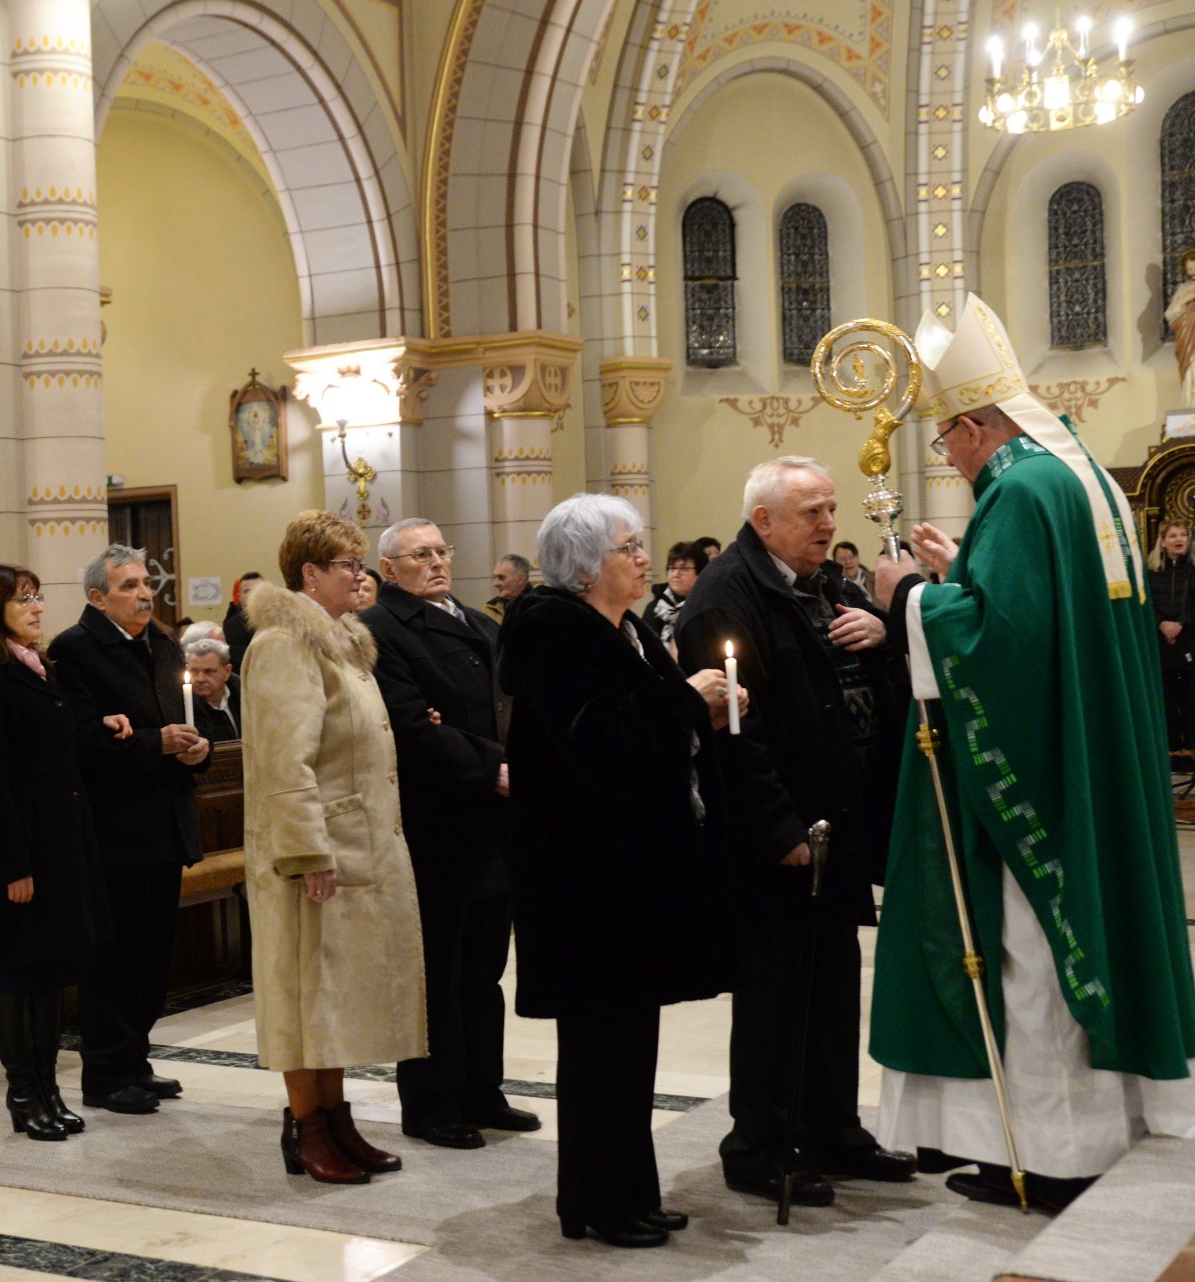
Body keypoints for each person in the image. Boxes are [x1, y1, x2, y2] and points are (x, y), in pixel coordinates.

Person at [869, 294, 1195, 1212]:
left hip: (1044, 767)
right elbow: (1042, 617)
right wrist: (958, 572)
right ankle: (1072, 1137)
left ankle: (1054, 1153)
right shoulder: (1077, 470)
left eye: (948, 443)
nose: (953, 459)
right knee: (1069, 943)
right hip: (1093, 754)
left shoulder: (1017, 486)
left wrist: (906, 598)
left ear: (976, 425)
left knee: (1032, 952)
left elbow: (997, 642)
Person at [675, 456, 915, 1207]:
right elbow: (732, 735)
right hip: (778, 836)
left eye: (832, 509)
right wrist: (779, 827)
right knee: (777, 993)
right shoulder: (726, 597)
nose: (829, 524)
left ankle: (833, 1127)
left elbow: (858, 684)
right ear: (765, 520)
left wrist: (880, 636)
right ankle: (761, 1144)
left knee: (834, 982)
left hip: (836, 823)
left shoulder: (824, 587)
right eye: (812, 511)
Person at [505, 493, 739, 1247]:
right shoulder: (554, 635)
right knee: (600, 1050)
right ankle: (596, 1202)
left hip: (630, 875)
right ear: (584, 566)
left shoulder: (625, 628)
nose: (644, 560)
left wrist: (693, 705)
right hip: (586, 882)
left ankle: (631, 1189)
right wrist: (690, 707)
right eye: (629, 549)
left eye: (641, 546)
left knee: (630, 1045)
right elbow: (598, 746)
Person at [242, 509, 425, 1184]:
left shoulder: (341, 641)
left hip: (355, 841)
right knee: (303, 992)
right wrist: (307, 852)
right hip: (311, 852)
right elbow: (286, 762)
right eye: (348, 564)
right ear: (310, 574)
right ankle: (306, 1128)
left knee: (336, 994)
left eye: (360, 562)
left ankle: (338, 1118)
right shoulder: (286, 644)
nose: (361, 575)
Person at [362, 517, 529, 1150]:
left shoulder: (479, 622)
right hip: (438, 821)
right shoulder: (381, 630)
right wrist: (492, 766)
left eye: (440, 551)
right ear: (389, 568)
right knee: (437, 972)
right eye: (418, 555)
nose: (435, 563)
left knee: (485, 970)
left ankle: (483, 1091)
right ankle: (431, 1104)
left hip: (494, 820)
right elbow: (410, 726)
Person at [49, 545, 209, 1114]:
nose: (145, 593)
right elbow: (78, 745)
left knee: (151, 959)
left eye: (146, 583)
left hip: (164, 825)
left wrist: (197, 750)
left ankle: (135, 1059)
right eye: (128, 586)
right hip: (115, 831)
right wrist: (154, 743)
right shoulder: (74, 651)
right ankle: (105, 1073)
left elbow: (186, 723)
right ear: (97, 597)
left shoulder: (161, 645)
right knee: (114, 961)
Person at [0, 564, 110, 1140]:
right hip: (21, 853)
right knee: (18, 973)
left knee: (51, 972)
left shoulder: (42, 669)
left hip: (61, 845)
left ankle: (49, 1087)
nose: (37, 607)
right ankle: (23, 1094)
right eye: (23, 599)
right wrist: (13, 864)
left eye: (38, 596)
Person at [1149, 521, 1195, 754]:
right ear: (1163, 541)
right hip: (1161, 644)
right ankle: (1173, 751)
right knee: (1167, 701)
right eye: (1173, 535)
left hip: (1188, 642)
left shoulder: (1192, 571)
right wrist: (1162, 624)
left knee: (1190, 702)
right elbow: (1145, 604)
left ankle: (1190, 750)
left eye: (1183, 535)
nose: (1179, 539)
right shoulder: (1152, 572)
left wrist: (1180, 624)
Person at [641, 541, 706, 651]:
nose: (675, 574)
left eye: (684, 568)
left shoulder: (705, 606)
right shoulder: (655, 608)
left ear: (700, 573)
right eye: (672, 568)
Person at [184, 638, 240, 742]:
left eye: (209, 671)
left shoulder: (242, 695)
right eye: (194, 671)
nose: (200, 679)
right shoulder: (181, 704)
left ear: (227, 671)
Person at [1166, 249, 1195, 408]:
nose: (1192, 272)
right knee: (1192, 369)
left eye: (1194, 268)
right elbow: (1170, 314)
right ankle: (1192, 402)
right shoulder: (1184, 289)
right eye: (1189, 269)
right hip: (1189, 337)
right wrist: (1185, 300)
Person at [223, 571, 263, 670]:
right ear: (240, 596)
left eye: (258, 590)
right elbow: (244, 659)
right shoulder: (232, 626)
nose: (253, 595)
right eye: (247, 591)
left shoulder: (277, 620)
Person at [483, 553, 531, 625]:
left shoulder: (541, 608)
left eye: (501, 578)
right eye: (495, 577)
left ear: (520, 579)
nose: (495, 583)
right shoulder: (489, 609)